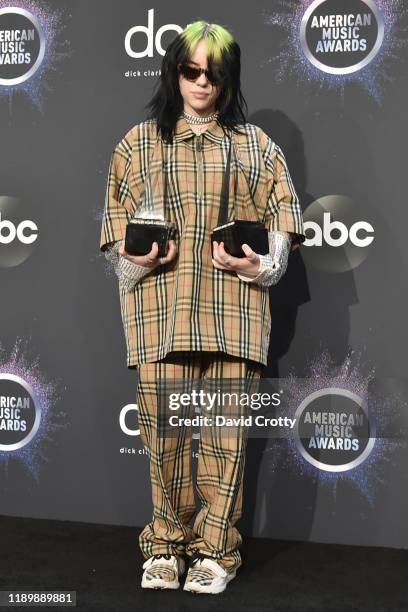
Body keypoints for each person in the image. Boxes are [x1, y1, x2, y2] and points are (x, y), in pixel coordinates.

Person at [100, 20, 305, 595]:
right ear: (173, 72)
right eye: (190, 71)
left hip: (234, 315)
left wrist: (254, 267)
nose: (201, 83)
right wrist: (144, 258)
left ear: (228, 78)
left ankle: (217, 551)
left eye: (213, 74)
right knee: (163, 442)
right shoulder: (136, 145)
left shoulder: (258, 147)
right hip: (159, 315)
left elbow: (281, 250)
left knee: (226, 440)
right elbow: (117, 257)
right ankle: (165, 545)